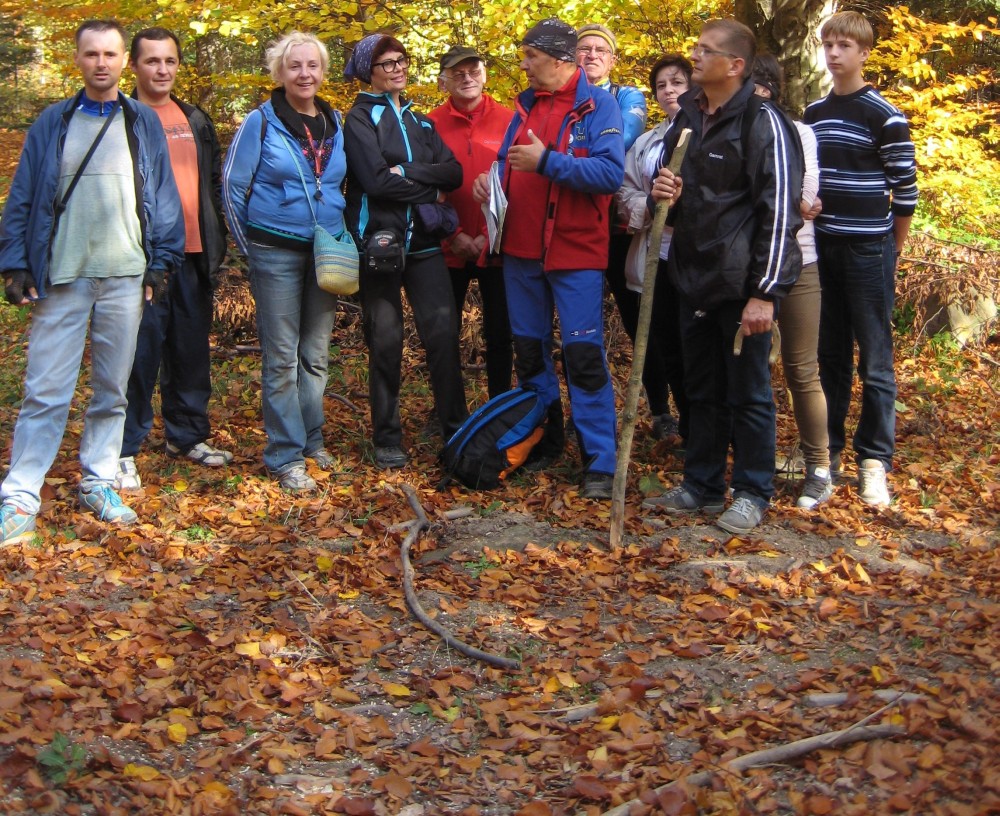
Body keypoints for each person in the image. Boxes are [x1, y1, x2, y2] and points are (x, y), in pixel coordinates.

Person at [0, 20, 183, 544]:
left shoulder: (141, 121)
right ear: (77, 59)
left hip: (125, 277)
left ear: (123, 60)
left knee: (112, 390)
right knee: (45, 390)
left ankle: (100, 479)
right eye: (91, 54)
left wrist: (160, 264)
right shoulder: (52, 123)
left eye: (110, 54)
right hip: (62, 276)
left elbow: (163, 197)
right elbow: (24, 197)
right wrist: (15, 264)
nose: (101, 62)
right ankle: (20, 494)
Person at [643, 19, 803, 534]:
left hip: (742, 286)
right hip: (692, 277)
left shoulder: (764, 123)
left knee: (749, 392)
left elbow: (779, 214)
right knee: (701, 388)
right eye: (695, 48)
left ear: (735, 66)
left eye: (704, 51)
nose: (694, 57)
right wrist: (663, 189)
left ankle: (753, 491)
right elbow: (675, 185)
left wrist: (765, 294)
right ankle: (702, 484)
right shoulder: (688, 117)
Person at [472, 17, 625, 500]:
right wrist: (489, 180)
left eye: (530, 57)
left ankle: (599, 461)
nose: (523, 65)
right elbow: (506, 159)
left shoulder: (597, 106)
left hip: (575, 253)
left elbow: (609, 173)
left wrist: (547, 163)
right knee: (529, 351)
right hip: (520, 253)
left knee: (582, 357)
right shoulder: (525, 104)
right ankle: (545, 439)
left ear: (559, 59)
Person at [222, 31, 347, 492]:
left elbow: (340, 188)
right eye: (295, 66)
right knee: (280, 357)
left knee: (314, 355)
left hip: (324, 254)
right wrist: (250, 250)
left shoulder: (336, 123)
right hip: (273, 252)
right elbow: (233, 188)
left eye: (312, 65)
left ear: (323, 71)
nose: (304, 74)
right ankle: (284, 454)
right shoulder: (260, 121)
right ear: (280, 72)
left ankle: (312, 440)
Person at [803, 11, 918, 506]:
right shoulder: (813, 113)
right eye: (828, 44)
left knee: (875, 359)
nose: (834, 53)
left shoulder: (884, 114)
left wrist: (893, 247)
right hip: (822, 247)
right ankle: (825, 457)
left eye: (845, 45)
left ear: (864, 53)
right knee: (828, 356)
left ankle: (874, 461)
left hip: (870, 249)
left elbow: (906, 192)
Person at [343, 34, 468, 470]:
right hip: (380, 245)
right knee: (385, 340)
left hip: (426, 246)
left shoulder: (420, 119)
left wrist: (411, 172)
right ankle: (387, 438)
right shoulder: (359, 118)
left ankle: (458, 430)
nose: (398, 68)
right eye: (387, 63)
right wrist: (426, 191)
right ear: (368, 72)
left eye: (401, 61)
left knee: (442, 336)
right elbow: (375, 182)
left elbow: (453, 172)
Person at [115, 27, 231, 492]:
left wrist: (219, 238)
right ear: (134, 66)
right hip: (142, 258)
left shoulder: (193, 117)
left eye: (169, 61)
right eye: (151, 61)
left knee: (189, 349)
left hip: (195, 252)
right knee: (138, 352)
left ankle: (186, 435)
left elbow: (213, 184)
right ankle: (123, 446)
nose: (161, 69)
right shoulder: (120, 118)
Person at [751, 54, 832, 510]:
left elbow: (803, 199)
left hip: (799, 261)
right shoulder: (730, 129)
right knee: (748, 370)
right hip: (749, 268)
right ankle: (752, 466)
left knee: (802, 369)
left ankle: (819, 468)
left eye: (762, 87)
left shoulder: (799, 133)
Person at [575, 25, 660, 435]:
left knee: (638, 319)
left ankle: (660, 410)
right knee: (581, 327)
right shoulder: (560, 96)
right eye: (583, 49)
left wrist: (570, 151)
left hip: (621, 227)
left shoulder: (627, 96)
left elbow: (622, 139)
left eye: (600, 50)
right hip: (575, 227)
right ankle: (590, 419)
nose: (591, 55)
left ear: (612, 59)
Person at [428, 45, 514, 399]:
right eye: (458, 73)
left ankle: (499, 406)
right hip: (447, 246)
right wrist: (455, 236)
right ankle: (447, 413)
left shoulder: (510, 119)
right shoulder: (428, 124)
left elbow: (518, 182)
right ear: (443, 80)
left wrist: (485, 236)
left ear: (485, 75)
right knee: (442, 333)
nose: (467, 78)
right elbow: (423, 188)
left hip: (497, 246)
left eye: (473, 71)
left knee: (500, 332)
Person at [614, 54, 692, 444]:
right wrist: (648, 204)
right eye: (661, 85)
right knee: (669, 347)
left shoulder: (710, 132)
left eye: (677, 82)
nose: (669, 90)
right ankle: (688, 432)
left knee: (697, 348)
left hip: (700, 262)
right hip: (656, 256)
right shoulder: (646, 141)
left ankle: (710, 434)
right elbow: (624, 191)